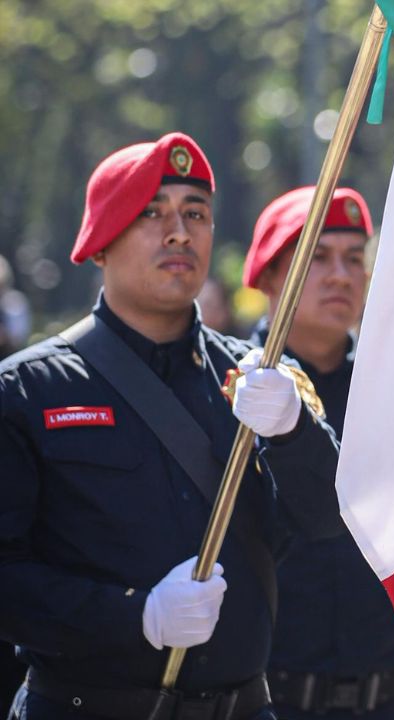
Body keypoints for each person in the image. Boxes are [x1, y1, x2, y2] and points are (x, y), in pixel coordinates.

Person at [0, 132, 344, 720]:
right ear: (100, 243)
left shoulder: (259, 375)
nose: (179, 231)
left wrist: (292, 431)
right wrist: (137, 616)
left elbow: (326, 518)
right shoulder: (30, 390)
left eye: (196, 213)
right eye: (151, 212)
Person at [242, 186, 394, 719]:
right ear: (268, 276)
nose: (341, 275)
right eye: (317, 257)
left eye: (355, 259)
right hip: (271, 701)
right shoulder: (231, 383)